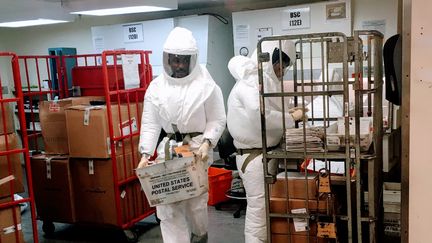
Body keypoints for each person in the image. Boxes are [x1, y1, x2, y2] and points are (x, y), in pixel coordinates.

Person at [137, 27, 226, 243]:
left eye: (183, 61)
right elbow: (150, 123)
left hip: (196, 151)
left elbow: (217, 118)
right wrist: (145, 154)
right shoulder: (156, 87)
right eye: (174, 60)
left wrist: (207, 142)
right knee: (167, 207)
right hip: (167, 151)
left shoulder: (206, 85)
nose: (178, 65)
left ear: (191, 60)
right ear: (167, 59)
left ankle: (199, 235)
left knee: (195, 204)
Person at [226, 40, 306, 243]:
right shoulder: (250, 81)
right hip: (253, 158)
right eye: (281, 64)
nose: (283, 69)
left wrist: (288, 113)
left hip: (265, 155)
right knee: (258, 213)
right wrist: (291, 118)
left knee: (264, 211)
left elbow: (268, 111)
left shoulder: (267, 81)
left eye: (286, 65)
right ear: (271, 59)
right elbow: (258, 116)